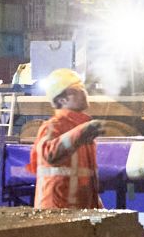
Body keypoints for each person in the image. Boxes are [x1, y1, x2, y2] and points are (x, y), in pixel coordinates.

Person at [30, 68, 106, 211]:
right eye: (76, 89)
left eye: (82, 87)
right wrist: (80, 133)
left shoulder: (83, 131)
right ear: (61, 99)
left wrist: (98, 210)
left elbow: (86, 181)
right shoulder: (53, 126)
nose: (84, 92)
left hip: (77, 215)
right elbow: (49, 154)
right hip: (54, 215)